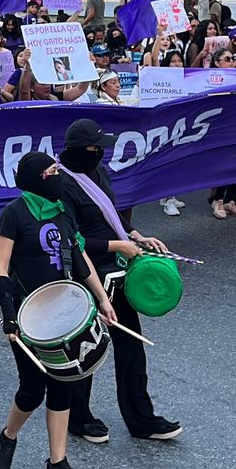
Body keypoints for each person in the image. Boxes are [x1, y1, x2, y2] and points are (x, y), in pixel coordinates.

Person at [56, 119, 182, 443]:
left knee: (131, 345)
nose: (100, 152)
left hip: (116, 268)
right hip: (84, 272)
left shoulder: (97, 171)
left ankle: (142, 419)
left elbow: (109, 213)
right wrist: (117, 245)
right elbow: (70, 239)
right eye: (95, 148)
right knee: (88, 348)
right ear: (78, 151)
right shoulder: (60, 185)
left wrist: (134, 235)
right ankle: (78, 417)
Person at [0, 152, 117, 469]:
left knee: (64, 385)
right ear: (38, 178)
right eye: (52, 172)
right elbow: (0, 270)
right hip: (27, 316)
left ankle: (58, 460)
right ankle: (9, 435)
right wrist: (8, 317)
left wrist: (102, 298)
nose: (58, 176)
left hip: (61, 316)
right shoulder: (14, 214)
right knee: (32, 390)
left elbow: (79, 259)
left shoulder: (62, 212)